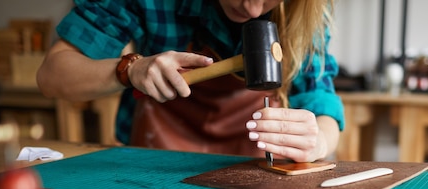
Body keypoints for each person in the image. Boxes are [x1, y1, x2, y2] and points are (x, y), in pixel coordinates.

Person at [36, 0, 344, 163]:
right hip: (155, 165)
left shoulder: (304, 7)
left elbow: (320, 98)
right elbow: (52, 76)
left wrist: (317, 141)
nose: (251, 9)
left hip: (250, 170)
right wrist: (132, 70)